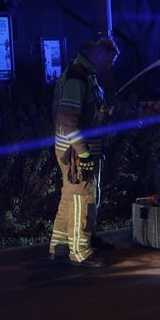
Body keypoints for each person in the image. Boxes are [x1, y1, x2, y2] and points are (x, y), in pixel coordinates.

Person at [48, 37, 119, 268]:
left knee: (70, 195)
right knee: (83, 197)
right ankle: (80, 251)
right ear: (97, 55)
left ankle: (59, 246)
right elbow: (68, 121)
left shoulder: (82, 74)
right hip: (76, 151)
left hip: (74, 148)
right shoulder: (78, 78)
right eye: (108, 61)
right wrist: (84, 153)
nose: (109, 67)